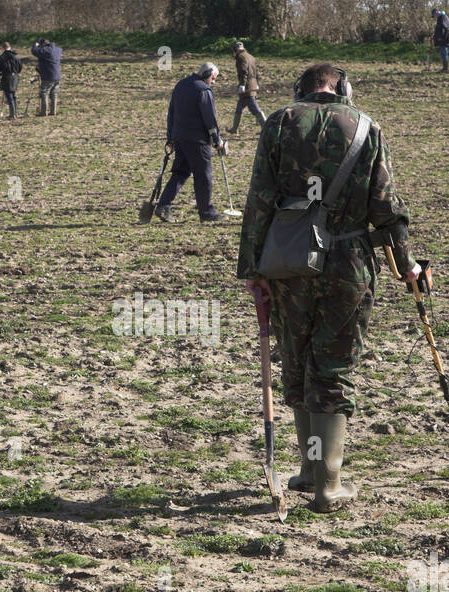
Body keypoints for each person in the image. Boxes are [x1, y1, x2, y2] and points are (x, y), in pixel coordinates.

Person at [237, 62, 420, 513]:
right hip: (348, 264)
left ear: (302, 90)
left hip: (287, 262)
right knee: (333, 368)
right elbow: (386, 208)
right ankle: (327, 485)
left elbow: (258, 199)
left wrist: (252, 269)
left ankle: (308, 468)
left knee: (297, 362)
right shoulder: (367, 128)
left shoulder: (278, 123)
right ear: (344, 90)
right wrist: (409, 265)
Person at [149, 62, 228, 223]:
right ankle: (207, 213)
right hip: (197, 140)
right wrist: (217, 141)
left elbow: (171, 113)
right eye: (213, 78)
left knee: (180, 173)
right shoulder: (204, 90)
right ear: (207, 74)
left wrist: (170, 138)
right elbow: (210, 120)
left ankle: (163, 205)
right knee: (203, 176)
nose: (213, 82)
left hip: (180, 138)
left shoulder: (181, 85)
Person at [227, 40, 266, 134]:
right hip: (252, 85)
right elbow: (256, 72)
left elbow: (243, 72)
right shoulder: (251, 57)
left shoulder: (240, 57)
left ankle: (266, 128)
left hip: (247, 87)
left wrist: (242, 85)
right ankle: (234, 129)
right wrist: (257, 83)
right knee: (239, 106)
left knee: (254, 108)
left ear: (236, 50)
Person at [31, 38, 62, 115]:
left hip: (48, 75)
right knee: (54, 93)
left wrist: (35, 45)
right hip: (57, 75)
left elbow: (34, 51)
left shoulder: (47, 50)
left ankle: (43, 112)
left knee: (44, 92)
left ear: (43, 44)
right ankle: (53, 111)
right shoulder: (58, 50)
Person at [0, 42, 23, 120]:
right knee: (13, 95)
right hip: (15, 77)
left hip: (7, 77)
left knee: (9, 96)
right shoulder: (16, 56)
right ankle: (15, 113)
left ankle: (12, 115)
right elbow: (20, 68)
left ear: (3, 48)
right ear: (10, 47)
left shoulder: (2, 57)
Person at [431, 8, 449, 72]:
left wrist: (441, 37)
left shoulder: (442, 17)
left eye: (434, 15)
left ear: (436, 13)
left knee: (444, 53)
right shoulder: (441, 18)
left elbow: (444, 28)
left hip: (444, 39)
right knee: (443, 53)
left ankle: (445, 69)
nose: (434, 17)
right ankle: (444, 68)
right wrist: (435, 36)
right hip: (442, 39)